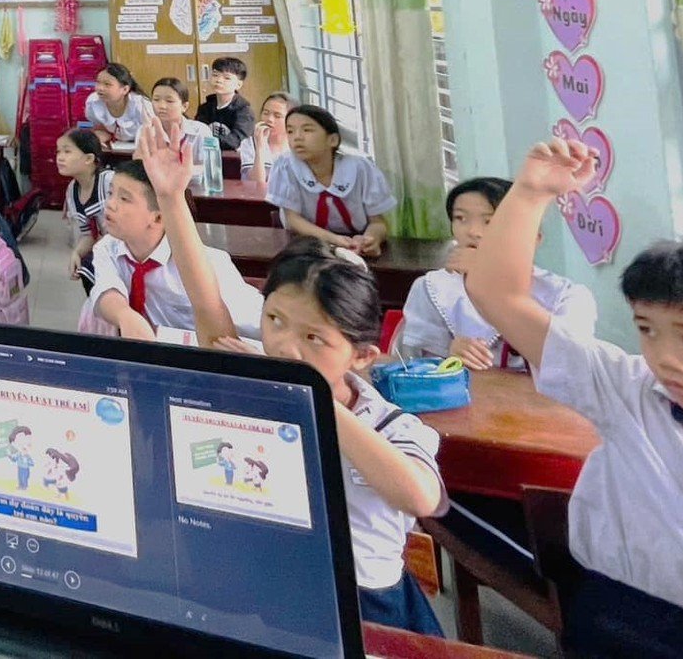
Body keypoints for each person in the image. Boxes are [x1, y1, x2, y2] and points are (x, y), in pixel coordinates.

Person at [467, 138, 683, 658]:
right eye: (647, 330)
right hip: (619, 619)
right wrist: (531, 191)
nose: (664, 358)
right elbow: (498, 293)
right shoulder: (630, 390)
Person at [150, 126, 446, 636]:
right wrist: (172, 198)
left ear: (362, 356)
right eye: (276, 322)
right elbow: (208, 302)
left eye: (315, 338)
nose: (285, 346)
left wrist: (314, 401)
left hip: (362, 609)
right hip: (258, 588)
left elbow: (419, 497)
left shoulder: (390, 425)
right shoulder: (252, 378)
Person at [80, 125, 262, 342]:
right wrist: (125, 316)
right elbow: (106, 288)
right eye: (111, 193)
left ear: (158, 217)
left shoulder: (211, 264)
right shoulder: (108, 247)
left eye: (124, 199)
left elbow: (255, 323)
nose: (110, 205)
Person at [395, 175, 595, 368]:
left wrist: (493, 278)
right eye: (460, 218)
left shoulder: (567, 296)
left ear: (533, 239)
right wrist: (448, 352)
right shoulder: (432, 288)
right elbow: (409, 362)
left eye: (490, 221)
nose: (473, 231)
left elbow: (572, 365)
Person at [266, 104, 395, 256]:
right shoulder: (285, 166)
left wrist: (371, 239)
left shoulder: (361, 168)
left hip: (356, 243)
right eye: (290, 131)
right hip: (305, 245)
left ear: (333, 140)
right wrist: (336, 241)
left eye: (307, 130)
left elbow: (378, 222)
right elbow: (293, 219)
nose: (297, 137)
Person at [57, 128, 111, 293]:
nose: (60, 157)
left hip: (129, 250)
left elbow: (128, 232)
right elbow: (88, 234)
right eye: (58, 151)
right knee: (86, 269)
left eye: (67, 151)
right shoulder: (72, 190)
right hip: (106, 249)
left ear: (89, 158)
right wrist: (77, 253)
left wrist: (100, 249)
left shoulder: (109, 182)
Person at [193, 56, 254, 150]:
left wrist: (206, 142)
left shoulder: (244, 111)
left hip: (234, 160)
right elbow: (197, 134)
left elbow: (236, 141)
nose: (219, 80)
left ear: (238, 84)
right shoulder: (205, 108)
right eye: (215, 75)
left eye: (227, 78)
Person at [83, 64, 152, 144]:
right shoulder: (93, 102)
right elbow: (99, 127)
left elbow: (154, 132)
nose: (100, 88)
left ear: (125, 89)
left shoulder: (141, 104)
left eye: (107, 84)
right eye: (98, 82)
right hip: (115, 149)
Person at [147, 78, 213, 152]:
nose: (161, 106)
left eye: (169, 101)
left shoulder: (201, 131)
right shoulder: (146, 131)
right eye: (156, 99)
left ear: (184, 106)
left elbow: (210, 162)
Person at [246, 91, 294, 185]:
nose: (269, 119)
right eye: (266, 113)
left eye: (277, 116)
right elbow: (257, 182)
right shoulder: (249, 144)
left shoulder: (298, 145)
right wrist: (259, 147)